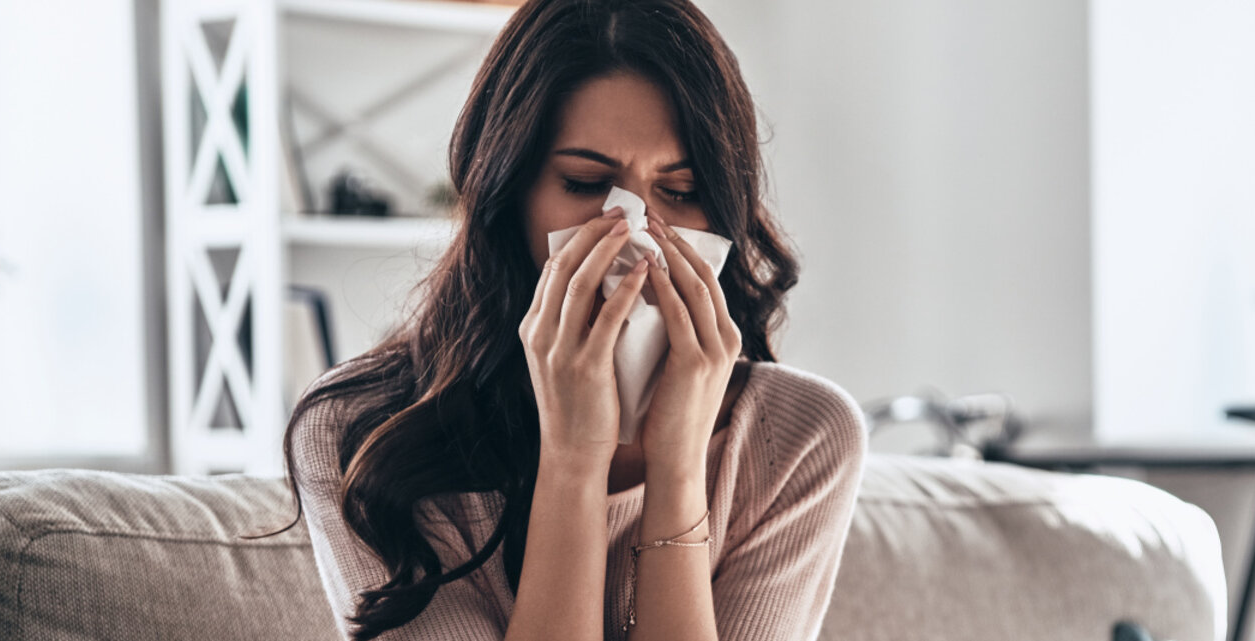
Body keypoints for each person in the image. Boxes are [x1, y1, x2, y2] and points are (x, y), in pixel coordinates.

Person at [265, 1, 869, 639]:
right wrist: (575, 459)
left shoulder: (803, 439)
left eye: (683, 193)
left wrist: (679, 469)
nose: (636, 235)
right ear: (509, 194)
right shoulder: (359, 432)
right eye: (585, 183)